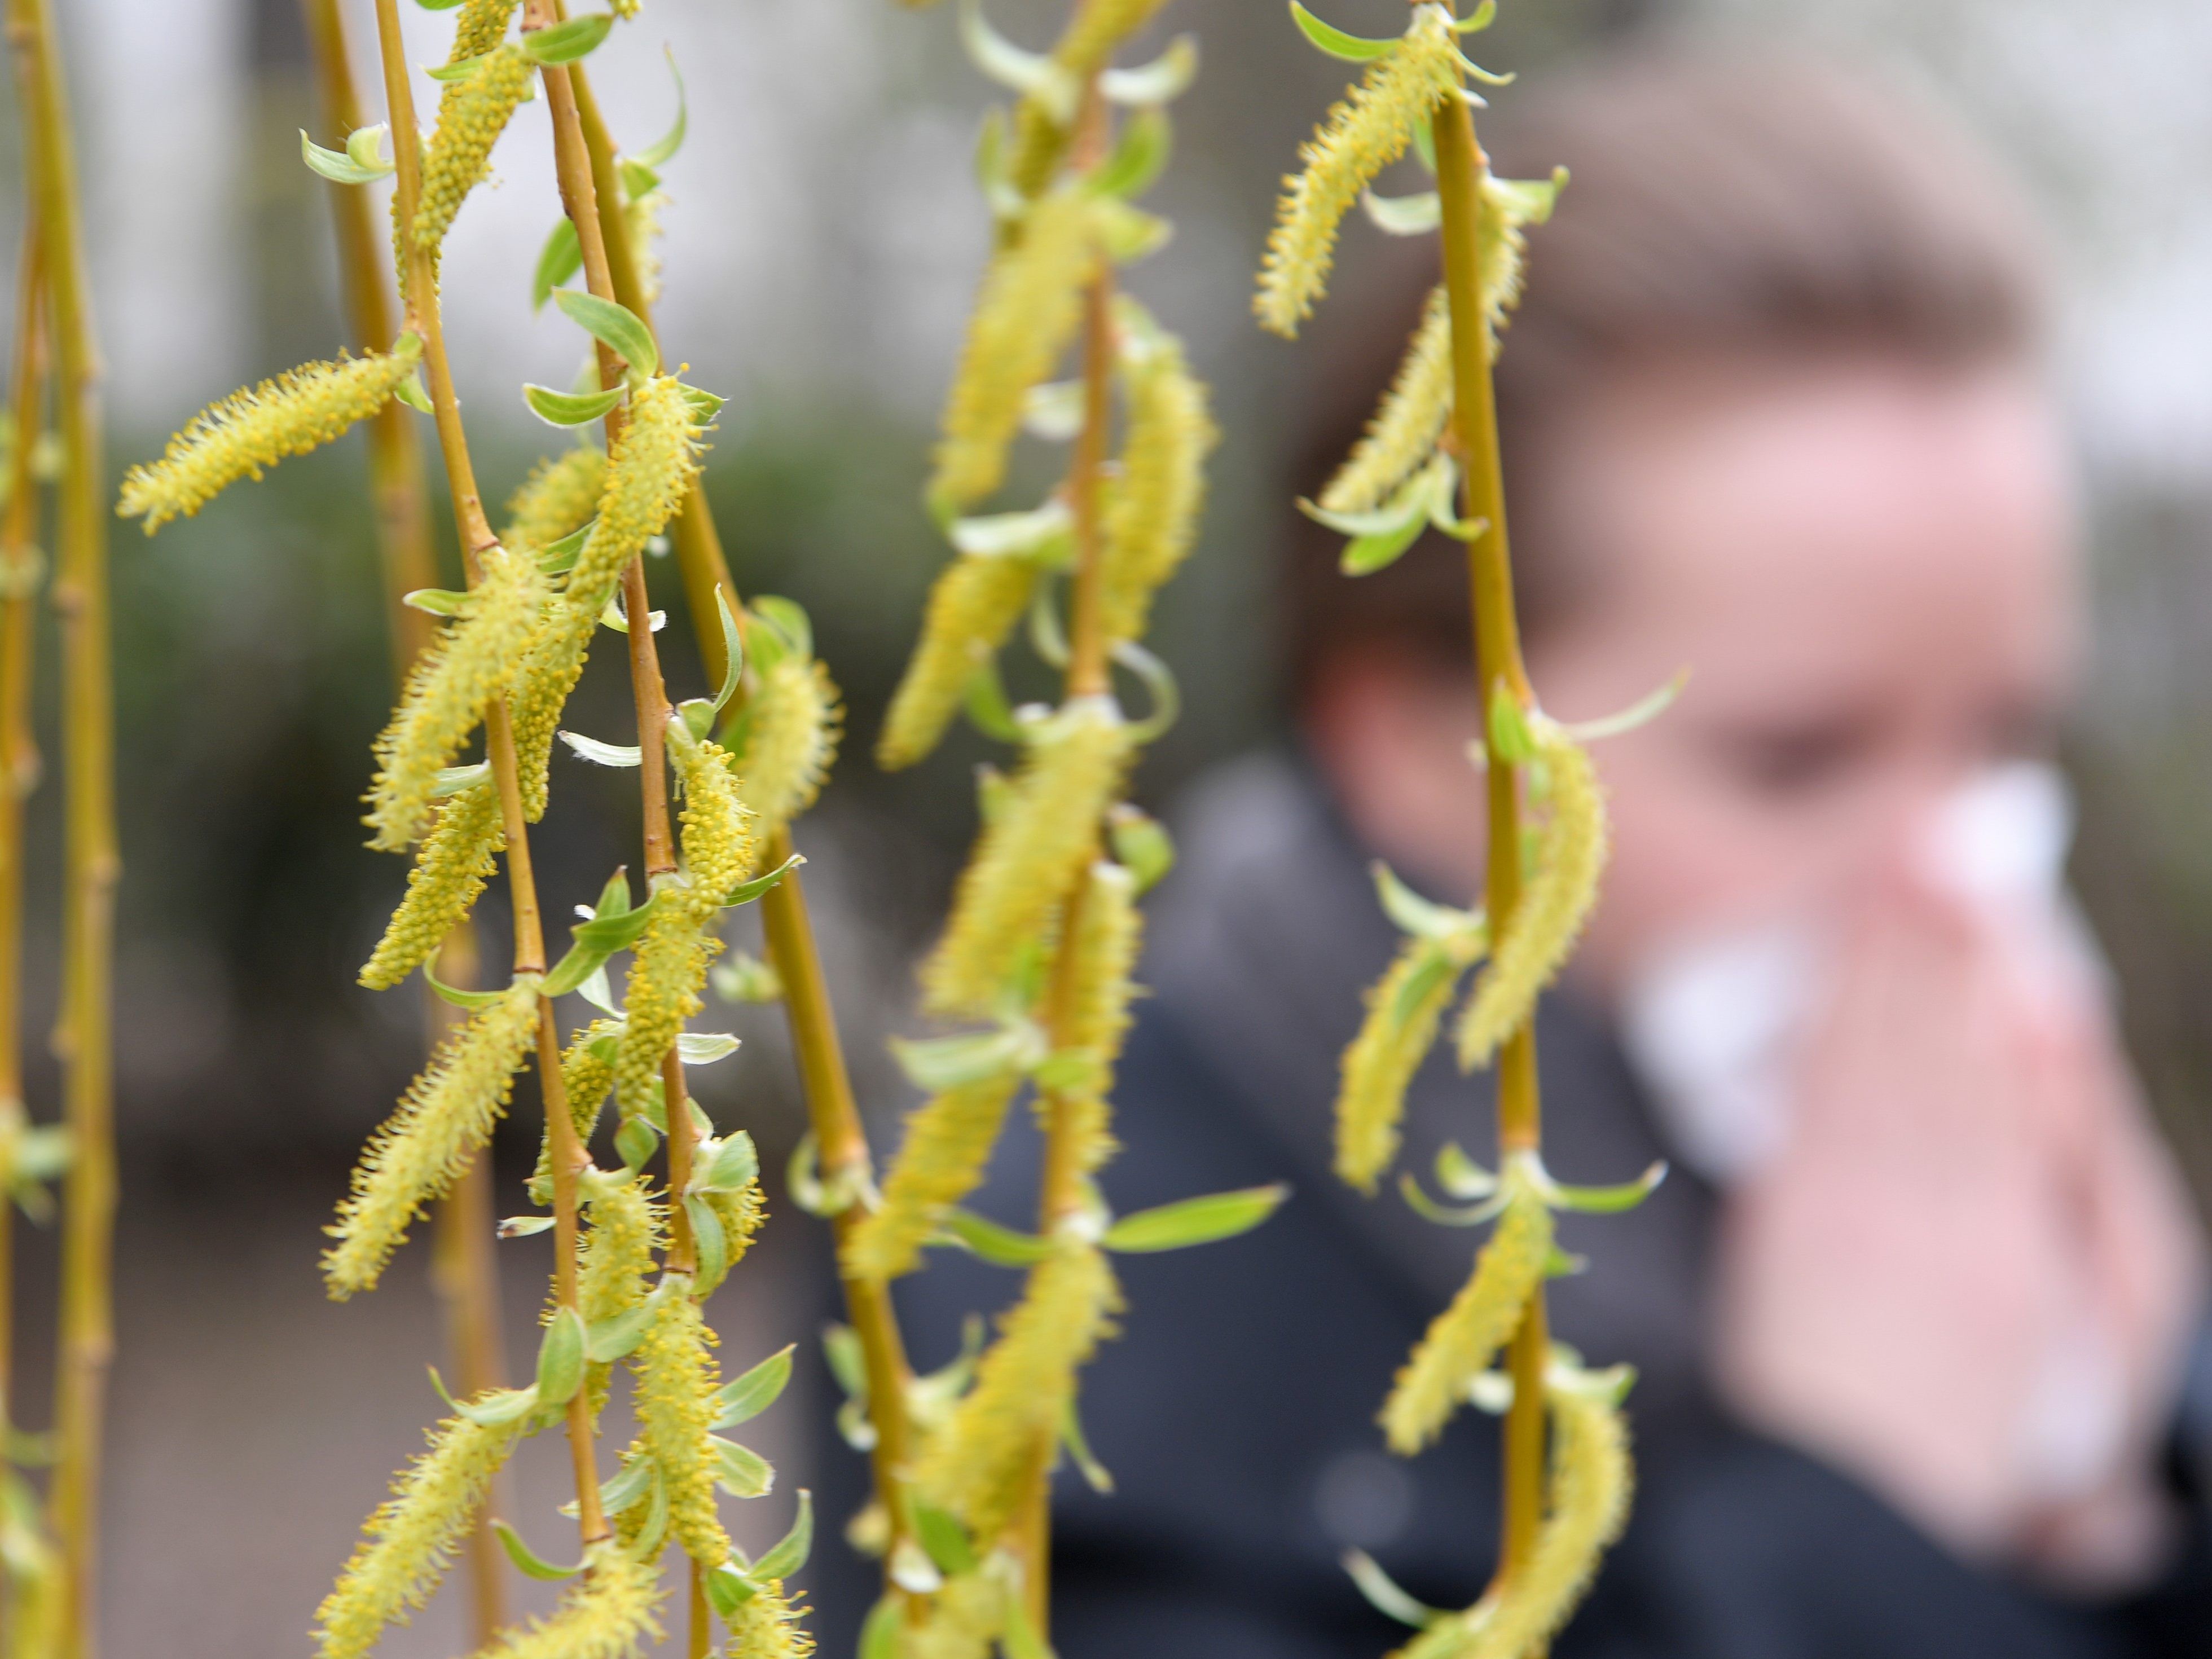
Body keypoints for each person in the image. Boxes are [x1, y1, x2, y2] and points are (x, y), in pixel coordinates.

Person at [813, 46, 2212, 1658]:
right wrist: (1851, 1519)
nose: (1942, 872)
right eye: (1792, 759)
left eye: (2000, 742)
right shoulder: (1043, 1305)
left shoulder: (2037, 1236)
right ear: (1414, 736)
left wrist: (2132, 1475)